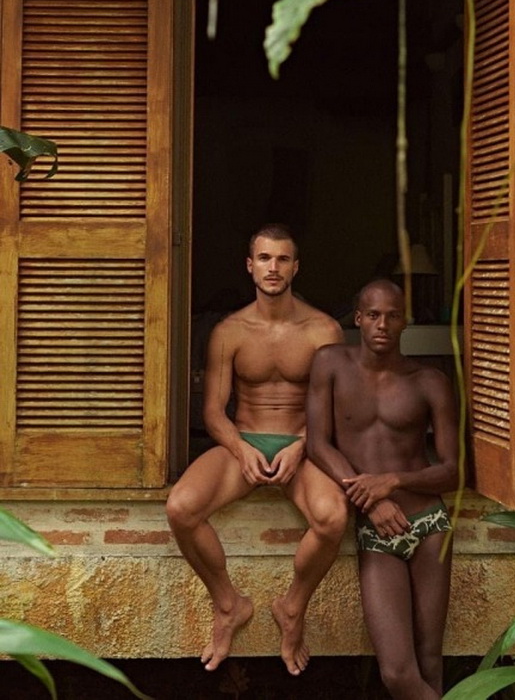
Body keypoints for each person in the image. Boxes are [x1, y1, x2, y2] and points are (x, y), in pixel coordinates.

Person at [166, 224, 348, 676]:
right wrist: (240, 449)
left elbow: (336, 409)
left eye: (283, 259)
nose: (273, 268)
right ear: (250, 266)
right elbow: (213, 412)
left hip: (303, 445)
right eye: (264, 258)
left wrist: (302, 446)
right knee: (181, 508)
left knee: (333, 518)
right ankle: (228, 604)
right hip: (244, 441)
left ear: (296, 267)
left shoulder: (323, 330)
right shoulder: (229, 331)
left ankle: (292, 608)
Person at [306, 279, 459, 699]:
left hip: (428, 524)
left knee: (430, 660)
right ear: (358, 318)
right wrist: (370, 502)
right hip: (378, 530)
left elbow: (453, 472)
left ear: (405, 322)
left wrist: (391, 481)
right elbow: (318, 445)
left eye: (393, 316)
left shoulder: (429, 381)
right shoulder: (330, 364)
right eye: (373, 315)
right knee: (397, 672)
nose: (382, 325)